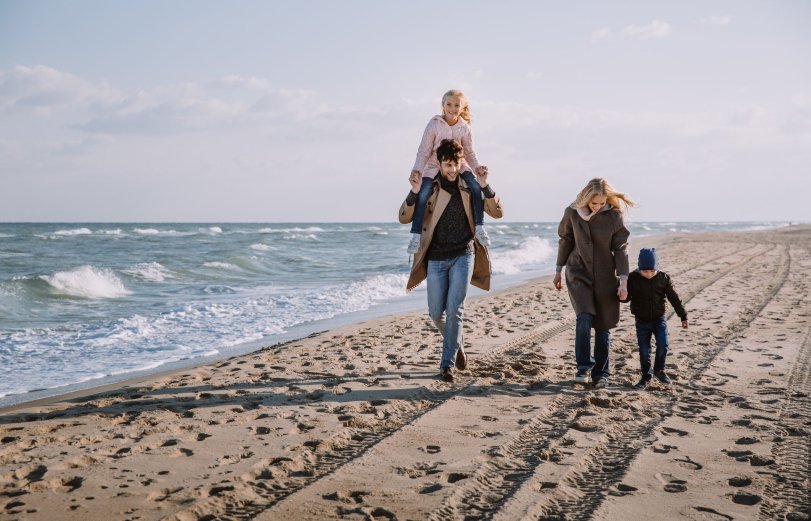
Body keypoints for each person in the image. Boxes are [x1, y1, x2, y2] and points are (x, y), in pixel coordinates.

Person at [398, 139, 504, 382]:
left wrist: (486, 185)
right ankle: (457, 343)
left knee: (455, 309)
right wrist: (414, 192)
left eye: (455, 165)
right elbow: (404, 217)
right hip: (435, 258)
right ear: (440, 163)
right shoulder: (430, 188)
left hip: (463, 255)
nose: (452, 170)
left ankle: (447, 364)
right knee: (436, 313)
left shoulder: (469, 187)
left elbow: (498, 212)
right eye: (447, 165)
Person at [554, 178, 634, 389]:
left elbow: (621, 249)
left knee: (603, 326)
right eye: (593, 203)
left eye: (601, 203)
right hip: (577, 272)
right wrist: (558, 270)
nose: (597, 207)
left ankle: (601, 373)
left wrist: (623, 280)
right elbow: (565, 240)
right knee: (584, 317)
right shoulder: (572, 212)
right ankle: (583, 367)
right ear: (586, 198)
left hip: (606, 276)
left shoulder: (614, 216)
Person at [407, 89, 490, 254]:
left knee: (474, 187)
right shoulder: (434, 124)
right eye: (449, 104)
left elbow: (469, 152)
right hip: (433, 164)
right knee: (423, 193)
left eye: (456, 105)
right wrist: (417, 170)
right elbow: (424, 150)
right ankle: (415, 235)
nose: (452, 108)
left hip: (459, 164)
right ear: (443, 105)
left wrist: (477, 168)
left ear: (462, 107)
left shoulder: (464, 127)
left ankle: (480, 227)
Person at [622, 248, 688, 389]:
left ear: (657, 268)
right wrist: (621, 295)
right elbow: (626, 298)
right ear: (639, 269)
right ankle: (646, 376)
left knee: (663, 344)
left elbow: (674, 298)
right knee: (644, 349)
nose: (649, 275)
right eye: (645, 271)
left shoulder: (663, 278)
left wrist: (683, 315)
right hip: (641, 320)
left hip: (659, 318)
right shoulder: (633, 278)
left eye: (652, 271)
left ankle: (659, 370)